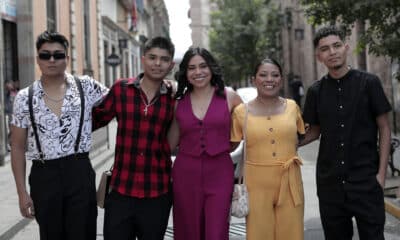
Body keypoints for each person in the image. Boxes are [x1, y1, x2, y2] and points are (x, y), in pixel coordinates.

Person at [10, 30, 108, 240]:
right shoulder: (24, 98)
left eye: (58, 54)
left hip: (79, 170)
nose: (51, 60)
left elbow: (120, 100)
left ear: (67, 58)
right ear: (38, 59)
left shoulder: (86, 86)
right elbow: (17, 147)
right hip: (44, 175)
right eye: (45, 55)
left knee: (83, 233)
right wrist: (22, 193)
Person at [301, 25, 391, 240]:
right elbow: (313, 132)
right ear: (318, 56)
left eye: (336, 46)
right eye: (325, 49)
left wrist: (381, 176)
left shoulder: (369, 83)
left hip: (366, 181)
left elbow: (385, 128)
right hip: (330, 185)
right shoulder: (315, 91)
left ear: (346, 47)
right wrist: (279, 140)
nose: (332, 52)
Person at [92, 36, 176, 240]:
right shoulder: (121, 89)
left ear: (171, 64)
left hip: (157, 191)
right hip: (121, 189)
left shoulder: (174, 97)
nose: (157, 63)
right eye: (152, 57)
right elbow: (93, 120)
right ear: (143, 59)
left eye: (164, 59)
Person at [167, 47, 242, 240]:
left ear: (212, 68)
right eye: (191, 68)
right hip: (185, 174)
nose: (198, 72)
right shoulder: (178, 102)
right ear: (186, 72)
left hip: (220, 173)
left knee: (216, 232)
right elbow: (170, 142)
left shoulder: (230, 97)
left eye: (203, 66)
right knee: (188, 231)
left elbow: (242, 134)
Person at [231, 58, 305, 240]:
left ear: (281, 79)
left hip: (290, 182)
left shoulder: (292, 107)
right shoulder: (241, 112)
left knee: (292, 233)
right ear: (253, 80)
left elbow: (301, 136)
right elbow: (230, 145)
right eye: (263, 75)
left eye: (275, 75)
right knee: (259, 234)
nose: (269, 79)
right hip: (256, 185)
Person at [4, 80, 17, 150]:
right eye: (7, 85)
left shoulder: (15, 93)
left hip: (13, 115)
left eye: (9, 84)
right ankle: (8, 144)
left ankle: (11, 143)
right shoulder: (5, 94)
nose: (8, 86)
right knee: (8, 130)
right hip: (7, 115)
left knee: (13, 130)